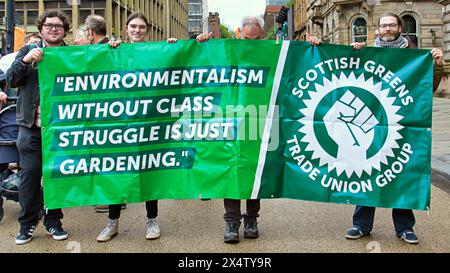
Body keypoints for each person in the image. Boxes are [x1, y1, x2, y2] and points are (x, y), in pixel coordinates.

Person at [197, 16, 319, 244]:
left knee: (257, 170)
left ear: (262, 36)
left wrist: (312, 46)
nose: (251, 43)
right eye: (246, 38)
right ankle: (232, 222)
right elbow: (202, 60)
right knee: (231, 169)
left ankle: (251, 219)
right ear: (237, 34)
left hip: (262, 119)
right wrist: (202, 42)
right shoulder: (227, 50)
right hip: (231, 120)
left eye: (256, 39)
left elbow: (295, 62)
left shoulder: (271, 51)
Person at [346, 12, 444, 244]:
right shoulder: (367, 52)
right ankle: (361, 224)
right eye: (383, 25)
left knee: (401, 173)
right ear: (377, 29)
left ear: (400, 27)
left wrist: (437, 66)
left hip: (402, 126)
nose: (388, 28)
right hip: (371, 125)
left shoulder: (414, 56)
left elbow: (428, 89)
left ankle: (404, 227)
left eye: (392, 24)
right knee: (367, 172)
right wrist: (352, 52)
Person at [96, 12, 164, 242]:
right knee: (118, 171)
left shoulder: (157, 51)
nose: (137, 30)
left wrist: (174, 47)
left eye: (141, 27)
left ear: (147, 30)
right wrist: (110, 47)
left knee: (149, 171)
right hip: (120, 124)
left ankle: (152, 220)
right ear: (126, 28)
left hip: (147, 123)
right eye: (133, 26)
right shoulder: (114, 50)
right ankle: (112, 221)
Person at [7, 11, 71, 245]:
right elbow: (12, 80)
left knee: (56, 175)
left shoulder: (71, 54)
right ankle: (27, 223)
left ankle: (53, 221)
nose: (53, 29)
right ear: (41, 28)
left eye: (58, 26)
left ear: (65, 31)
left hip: (60, 129)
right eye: (49, 25)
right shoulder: (28, 51)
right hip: (31, 127)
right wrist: (25, 61)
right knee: (30, 175)